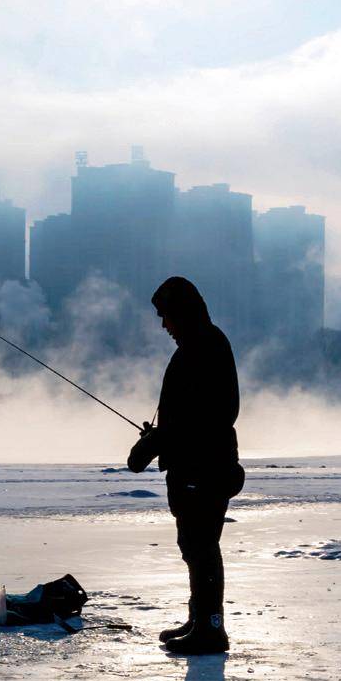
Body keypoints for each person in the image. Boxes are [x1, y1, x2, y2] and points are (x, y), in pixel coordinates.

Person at [127, 276, 244, 655]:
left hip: (205, 468)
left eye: (166, 317)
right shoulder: (197, 346)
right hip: (194, 466)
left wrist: (158, 440)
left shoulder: (205, 346)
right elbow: (185, 416)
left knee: (201, 545)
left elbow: (212, 414)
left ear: (183, 312)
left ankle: (212, 628)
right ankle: (200, 618)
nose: (164, 326)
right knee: (192, 546)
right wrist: (159, 437)